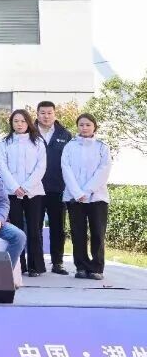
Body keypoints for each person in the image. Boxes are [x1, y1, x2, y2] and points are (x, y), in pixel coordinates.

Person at [0, 109, 47, 277]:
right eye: (16, 121)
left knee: (34, 229)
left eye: (23, 121)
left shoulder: (38, 142)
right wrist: (14, 187)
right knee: (16, 230)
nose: (19, 124)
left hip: (34, 192)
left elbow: (41, 167)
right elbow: (2, 166)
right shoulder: (5, 142)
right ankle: (19, 266)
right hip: (11, 193)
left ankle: (35, 266)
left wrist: (25, 187)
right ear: (11, 123)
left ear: (28, 123)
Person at [61, 113, 112, 280]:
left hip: (97, 197)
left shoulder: (102, 147)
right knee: (78, 234)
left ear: (94, 127)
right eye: (81, 125)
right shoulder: (69, 147)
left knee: (97, 233)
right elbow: (66, 170)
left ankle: (97, 268)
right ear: (77, 127)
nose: (84, 128)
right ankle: (81, 267)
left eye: (88, 125)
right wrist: (78, 193)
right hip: (74, 198)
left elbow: (103, 170)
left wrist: (87, 191)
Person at [37, 101, 73, 275]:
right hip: (34, 189)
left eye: (49, 113)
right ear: (37, 114)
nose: (46, 116)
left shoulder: (65, 134)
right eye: (42, 113)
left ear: (54, 114)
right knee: (34, 227)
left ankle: (58, 262)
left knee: (58, 227)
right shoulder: (30, 132)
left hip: (57, 188)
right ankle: (36, 262)